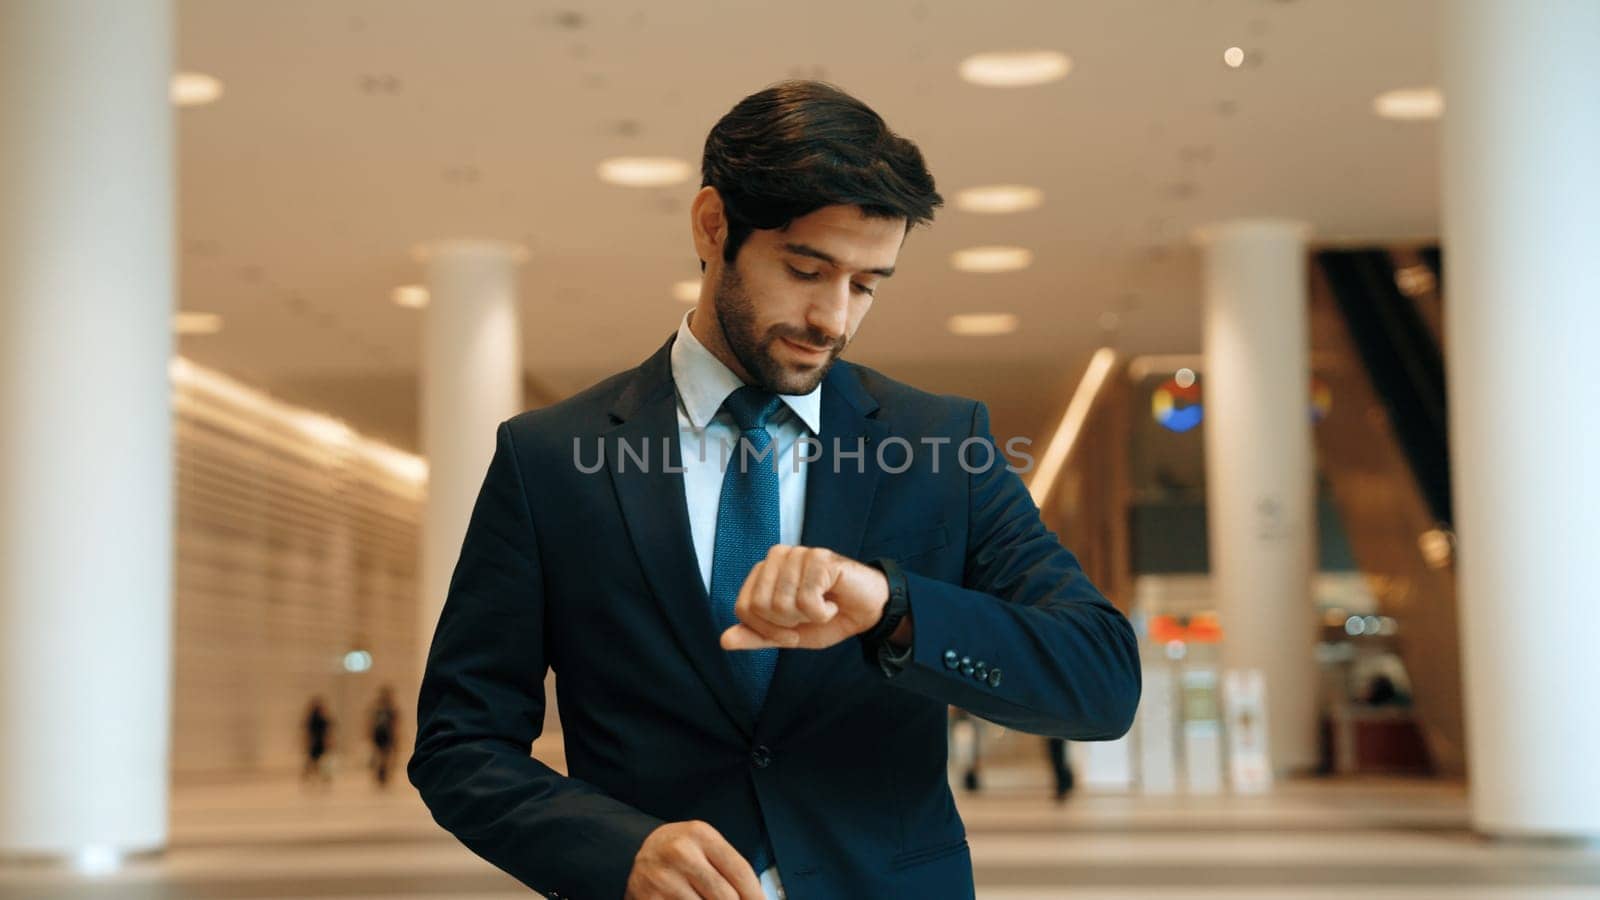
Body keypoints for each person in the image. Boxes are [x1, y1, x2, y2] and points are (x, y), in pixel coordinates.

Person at [409, 80, 1141, 900]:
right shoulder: (549, 459)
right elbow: (459, 742)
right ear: (714, 225)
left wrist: (895, 607)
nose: (833, 316)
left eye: (866, 285)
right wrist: (616, 851)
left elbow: (1102, 682)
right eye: (806, 269)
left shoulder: (943, 443)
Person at [369, 685, 399, 788]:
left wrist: (397, 735)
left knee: (386, 755)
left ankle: (384, 775)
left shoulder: (391, 708)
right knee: (380, 755)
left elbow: (395, 723)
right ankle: (380, 775)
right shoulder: (377, 708)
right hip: (380, 734)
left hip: (387, 734)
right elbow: (371, 722)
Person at [301, 696, 333, 789]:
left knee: (319, 762)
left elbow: (327, 732)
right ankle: (311, 777)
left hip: (318, 743)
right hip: (316, 743)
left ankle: (323, 778)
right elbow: (308, 732)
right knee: (314, 762)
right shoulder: (314, 718)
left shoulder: (321, 718)